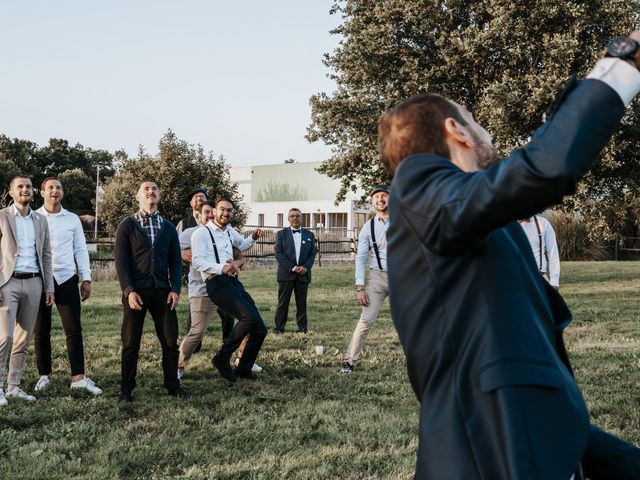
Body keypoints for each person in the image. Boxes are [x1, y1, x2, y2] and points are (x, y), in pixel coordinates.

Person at [379, 33, 640, 479]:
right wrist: (626, 59)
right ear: (455, 130)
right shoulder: (417, 182)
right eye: (476, 120)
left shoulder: (469, 218)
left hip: (523, 438)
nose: (486, 132)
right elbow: (542, 168)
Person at [115, 180, 184, 402]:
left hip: (163, 291)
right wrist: (128, 290)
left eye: (154, 188)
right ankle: (126, 388)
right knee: (130, 341)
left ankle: (172, 384)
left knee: (170, 340)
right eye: (146, 189)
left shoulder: (169, 227)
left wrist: (175, 288)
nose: (151, 191)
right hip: (136, 292)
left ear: (159, 195)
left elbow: (176, 262)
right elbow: (121, 263)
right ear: (138, 196)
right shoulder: (127, 225)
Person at [33, 177, 102, 395]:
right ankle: (44, 376)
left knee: (73, 329)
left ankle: (78, 377)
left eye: (59, 187)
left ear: (62, 193)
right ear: (42, 192)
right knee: (40, 330)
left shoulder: (72, 219)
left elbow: (80, 249)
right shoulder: (33, 217)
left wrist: (86, 278)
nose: (55, 191)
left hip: (66, 279)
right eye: (50, 187)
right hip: (40, 279)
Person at [178, 200, 261, 377]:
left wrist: (253, 237)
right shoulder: (199, 234)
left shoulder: (229, 230)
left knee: (258, 326)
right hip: (214, 283)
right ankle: (216, 358)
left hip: (232, 282)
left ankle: (243, 369)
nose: (226, 213)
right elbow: (197, 261)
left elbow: (242, 246)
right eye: (222, 210)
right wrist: (221, 267)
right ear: (213, 212)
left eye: (230, 211)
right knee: (200, 330)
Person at [0, 175, 54, 405]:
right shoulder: (2, 216)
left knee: (23, 339)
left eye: (28, 187)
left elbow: (46, 254)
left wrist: (48, 286)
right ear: (11, 192)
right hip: (7, 282)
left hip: (34, 283)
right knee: (5, 336)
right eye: (20, 187)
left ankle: (14, 386)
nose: (25, 190)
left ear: (33, 192)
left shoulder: (40, 220)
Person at [340, 186, 390, 374]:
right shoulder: (368, 227)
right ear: (373, 202)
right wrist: (360, 286)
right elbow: (361, 258)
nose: (380, 199)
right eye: (377, 197)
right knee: (366, 320)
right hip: (377, 277)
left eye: (384, 196)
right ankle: (349, 361)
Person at [273, 208, 317, 333]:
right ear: (288, 219)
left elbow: (312, 254)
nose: (295, 218)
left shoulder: (310, 235)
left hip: (303, 274)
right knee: (283, 303)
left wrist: (305, 267)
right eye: (292, 216)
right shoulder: (281, 234)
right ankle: (279, 328)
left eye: (297, 216)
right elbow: (278, 253)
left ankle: (302, 328)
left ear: (301, 218)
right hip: (286, 274)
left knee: (301, 303)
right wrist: (293, 267)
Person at [177, 187, 208, 351]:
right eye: (196, 197)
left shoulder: (214, 219)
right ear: (191, 202)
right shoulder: (184, 223)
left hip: (215, 273)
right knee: (194, 309)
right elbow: (176, 246)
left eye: (202, 196)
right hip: (193, 273)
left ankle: (228, 340)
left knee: (226, 312)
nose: (199, 199)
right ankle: (194, 345)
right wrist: (183, 254)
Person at [519, 215, 560, 289]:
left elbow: (553, 253)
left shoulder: (543, 223)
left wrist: (554, 282)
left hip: (540, 279)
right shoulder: (506, 226)